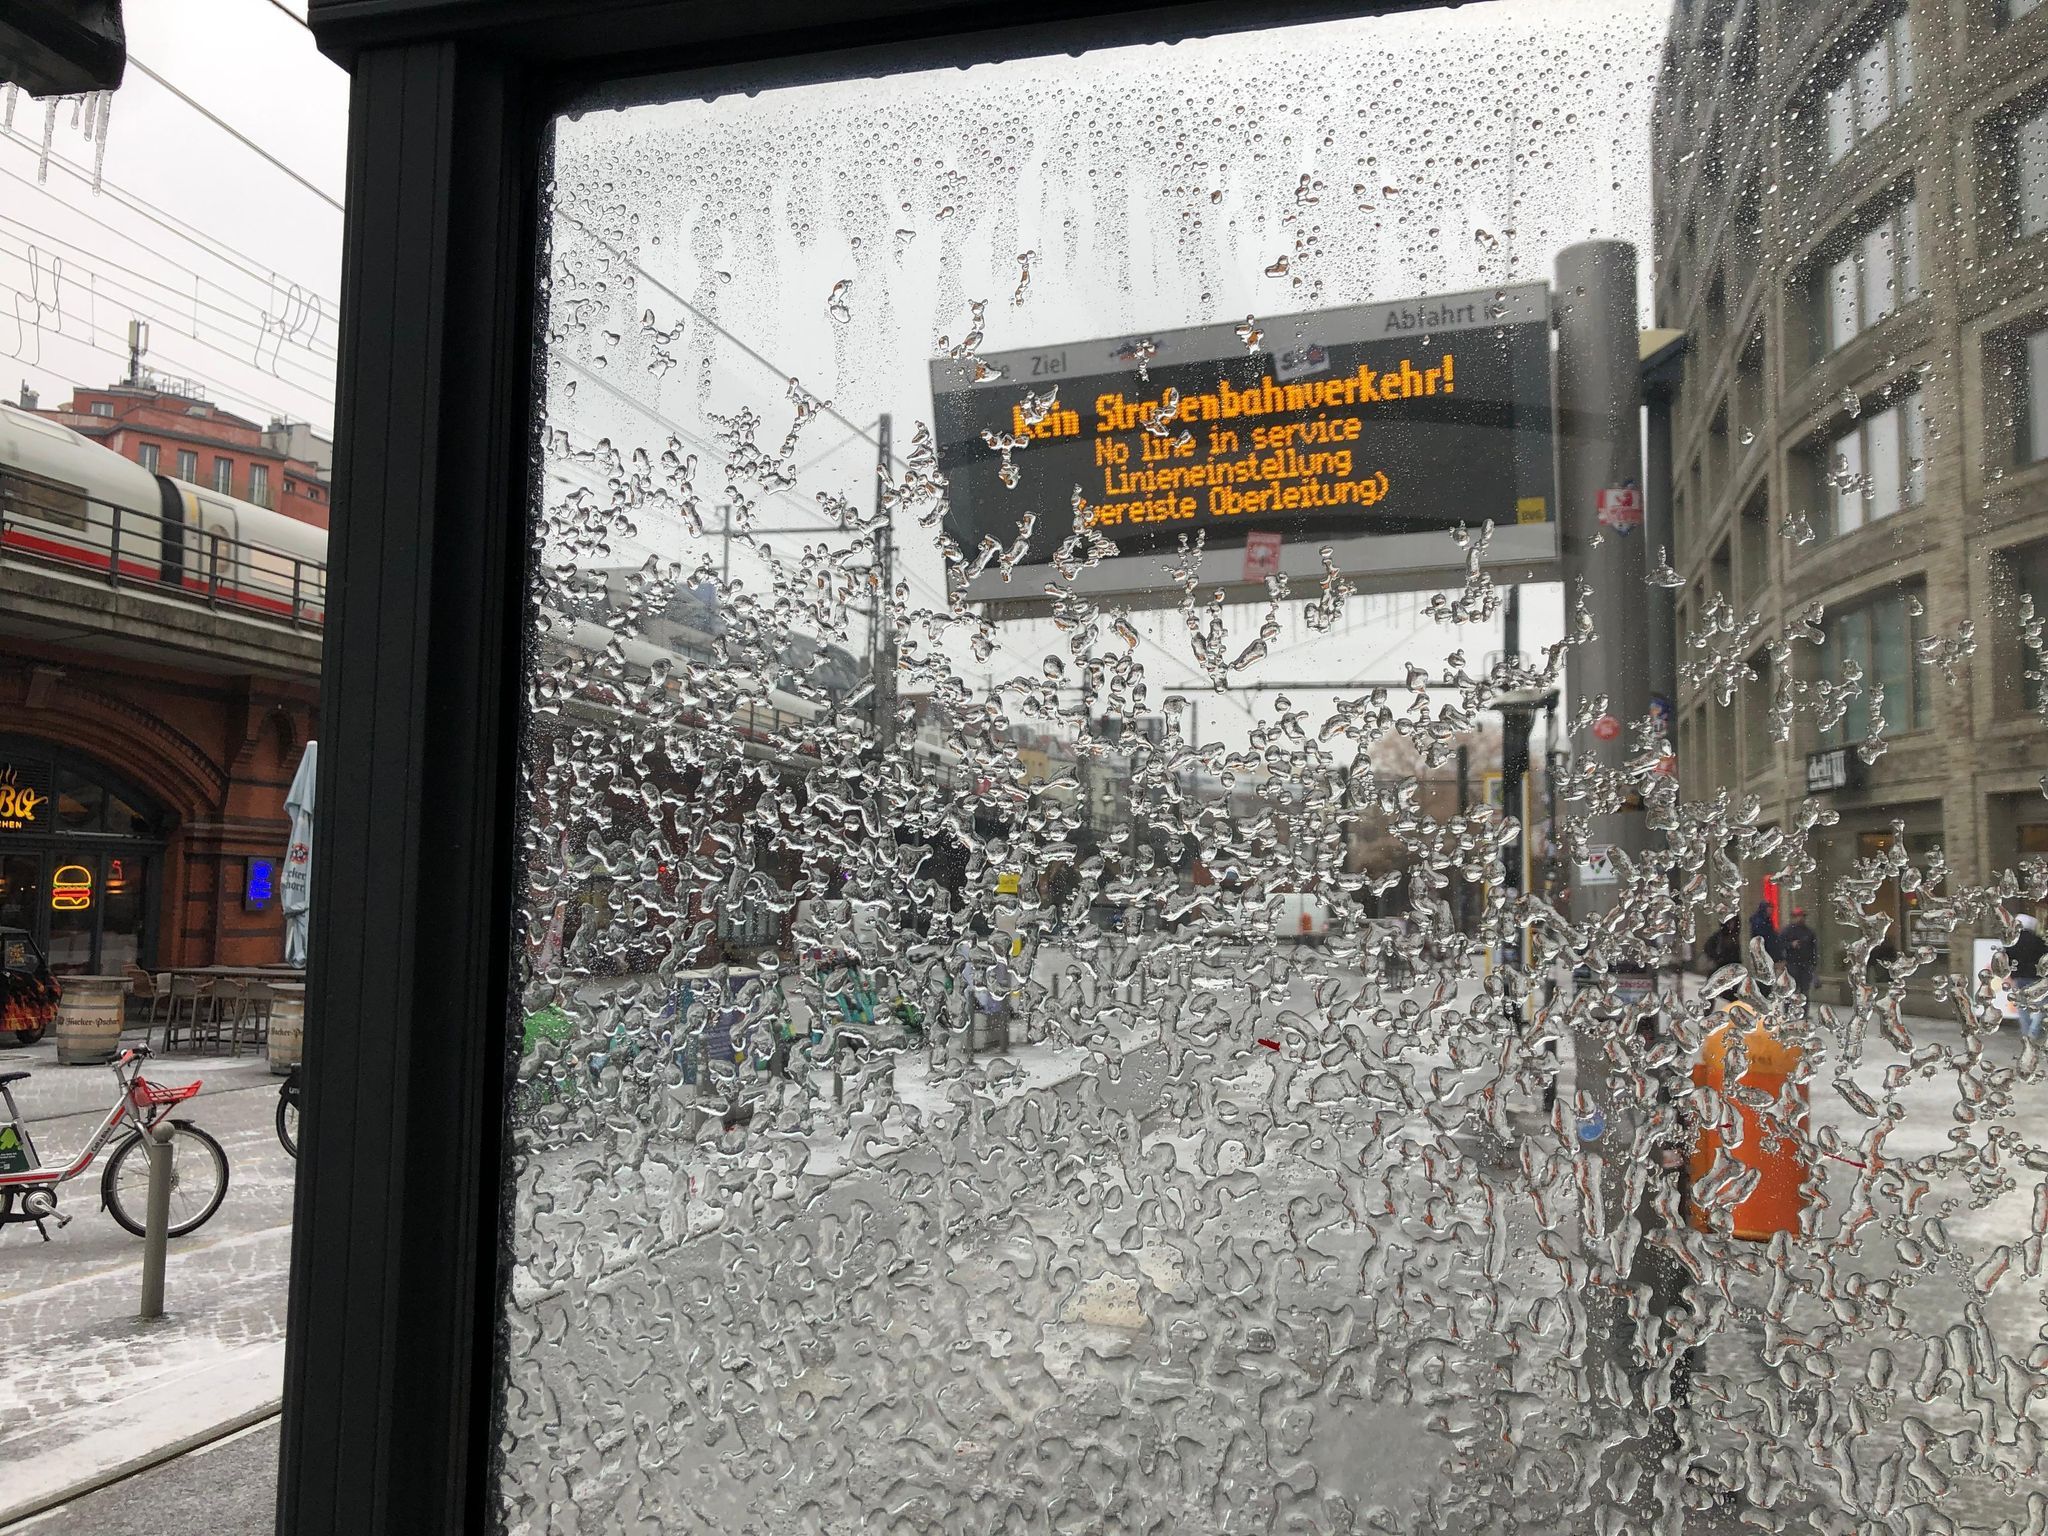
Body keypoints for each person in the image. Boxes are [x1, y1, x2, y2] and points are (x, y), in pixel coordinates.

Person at [2007, 914, 2046, 1040]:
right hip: (2036, 978)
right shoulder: (2039, 941)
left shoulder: (2012, 942)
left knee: (2022, 1007)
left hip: (2019, 978)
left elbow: (2006, 959)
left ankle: (2026, 1033)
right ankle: (2034, 1032)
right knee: (2042, 1005)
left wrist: (2011, 976)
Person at [1781, 907, 1818, 1001]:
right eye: (1798, 916)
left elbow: (1813, 948)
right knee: (1791, 989)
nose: (1800, 918)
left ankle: (1804, 1012)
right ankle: (1788, 1010)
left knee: (1804, 989)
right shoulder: (1787, 931)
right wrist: (1791, 945)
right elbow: (1780, 944)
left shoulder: (1809, 932)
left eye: (1802, 916)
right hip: (1792, 963)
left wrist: (1813, 963)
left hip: (1805, 964)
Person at [1749, 901, 1783, 966]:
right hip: (1765, 951)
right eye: (1769, 909)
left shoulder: (1766, 920)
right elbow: (1764, 935)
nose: (1771, 911)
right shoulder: (1760, 921)